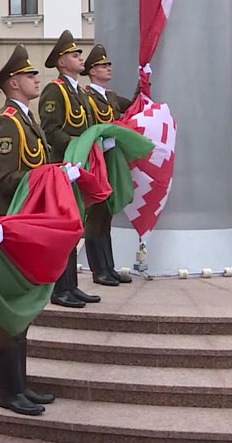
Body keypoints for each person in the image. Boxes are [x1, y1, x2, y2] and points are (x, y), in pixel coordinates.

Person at [0, 43, 85, 416]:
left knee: (23, 312)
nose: (35, 78)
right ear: (13, 83)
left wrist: (52, 176)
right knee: (11, 313)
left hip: (29, 223)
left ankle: (21, 385)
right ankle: (9, 391)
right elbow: (3, 178)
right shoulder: (6, 123)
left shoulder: (27, 120)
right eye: (28, 75)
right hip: (11, 225)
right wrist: (50, 175)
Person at [38, 30, 105, 305]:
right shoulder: (55, 90)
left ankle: (71, 285)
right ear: (62, 62)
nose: (80, 58)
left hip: (80, 166)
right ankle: (59, 288)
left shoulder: (78, 91)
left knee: (76, 226)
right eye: (75, 55)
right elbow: (51, 129)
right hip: (65, 165)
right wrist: (78, 148)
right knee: (64, 228)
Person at [81, 44, 135, 286]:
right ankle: (98, 270)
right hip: (96, 160)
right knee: (96, 217)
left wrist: (143, 80)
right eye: (103, 66)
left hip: (110, 159)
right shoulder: (86, 97)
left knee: (107, 217)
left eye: (108, 65)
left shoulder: (110, 96)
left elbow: (134, 105)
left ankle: (108, 267)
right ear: (92, 71)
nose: (108, 69)